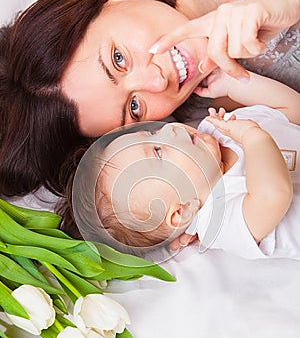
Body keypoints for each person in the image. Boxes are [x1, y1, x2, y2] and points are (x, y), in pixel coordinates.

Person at [0, 0, 299, 199]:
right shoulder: (223, 111)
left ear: (110, 0)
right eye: (134, 107)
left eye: (118, 59)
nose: (157, 81)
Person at [60, 69, 300, 261]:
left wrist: (233, 85)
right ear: (181, 212)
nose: (169, 129)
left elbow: (291, 112)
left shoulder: (215, 131)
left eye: (150, 132)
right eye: (158, 151)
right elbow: (274, 194)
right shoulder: (221, 220)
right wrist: (252, 137)